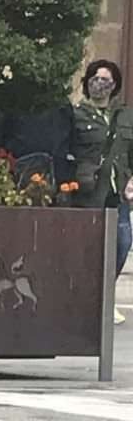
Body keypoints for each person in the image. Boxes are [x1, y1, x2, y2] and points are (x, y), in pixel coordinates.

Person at [71, 59, 133, 321]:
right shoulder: (76, 115)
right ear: (87, 83)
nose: (99, 84)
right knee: (88, 249)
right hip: (88, 192)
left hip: (117, 192)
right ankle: (89, 301)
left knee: (122, 243)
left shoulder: (125, 116)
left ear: (114, 85)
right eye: (94, 79)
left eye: (105, 80)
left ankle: (105, 296)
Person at [0, 97, 75, 191]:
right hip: (17, 190)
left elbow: (73, 144)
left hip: (61, 187)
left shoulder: (61, 102)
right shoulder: (2, 99)